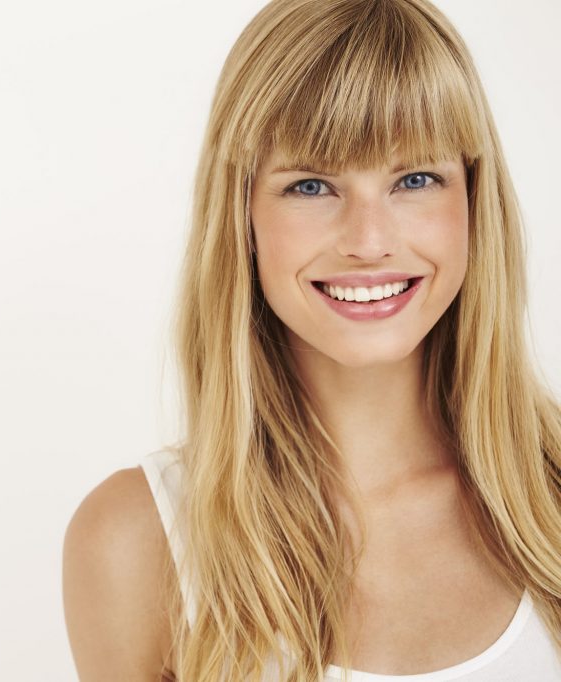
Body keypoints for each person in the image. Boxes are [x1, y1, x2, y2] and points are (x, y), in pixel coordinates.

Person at [61, 0, 561, 680]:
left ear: (474, 202)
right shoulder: (140, 540)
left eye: (415, 179)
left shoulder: (551, 499)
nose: (370, 241)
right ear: (242, 215)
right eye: (312, 185)